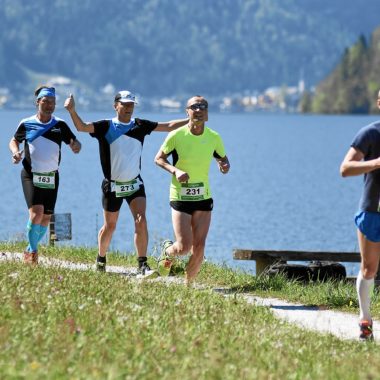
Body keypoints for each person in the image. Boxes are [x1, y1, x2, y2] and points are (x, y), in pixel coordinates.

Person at [64, 91, 188, 275]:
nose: (129, 107)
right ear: (116, 105)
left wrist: (190, 119)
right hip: (112, 185)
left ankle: (142, 264)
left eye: (132, 104)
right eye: (125, 104)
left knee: (141, 220)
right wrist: (72, 111)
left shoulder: (140, 125)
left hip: (135, 184)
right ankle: (101, 258)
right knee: (110, 226)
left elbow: (168, 126)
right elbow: (82, 127)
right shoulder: (105, 126)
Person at [154, 95, 230, 283]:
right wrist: (175, 170)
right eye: (194, 106)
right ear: (187, 111)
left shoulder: (214, 137)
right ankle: (167, 252)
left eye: (202, 106)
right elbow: (158, 159)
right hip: (180, 196)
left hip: (203, 196)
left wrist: (224, 165)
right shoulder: (176, 135)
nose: (198, 109)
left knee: (200, 247)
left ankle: (188, 287)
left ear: (207, 114)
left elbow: (222, 158)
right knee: (184, 247)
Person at [9, 85, 82, 264]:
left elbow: (76, 143)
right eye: (45, 101)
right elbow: (14, 140)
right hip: (30, 175)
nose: (49, 105)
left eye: (52, 102)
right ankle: (32, 253)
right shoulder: (26, 123)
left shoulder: (60, 125)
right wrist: (15, 152)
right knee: (36, 213)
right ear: (38, 102)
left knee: (46, 218)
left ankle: (29, 248)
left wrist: (76, 146)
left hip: (51, 177)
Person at [340, 89, 380, 341]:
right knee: (369, 268)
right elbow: (345, 168)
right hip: (372, 211)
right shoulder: (370, 133)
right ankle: (365, 319)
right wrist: (376, 163)